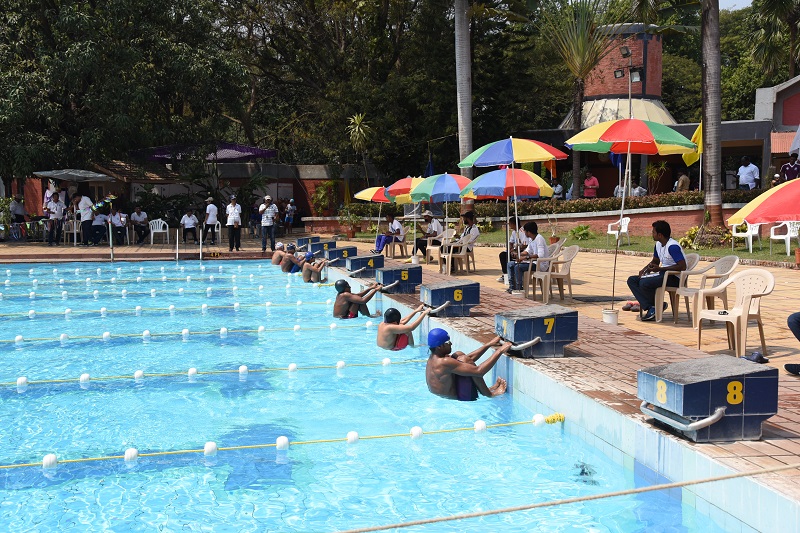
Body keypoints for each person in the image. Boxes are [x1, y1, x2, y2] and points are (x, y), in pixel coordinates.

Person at [626, 220, 687, 321]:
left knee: (644, 283)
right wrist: (645, 269)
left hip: (674, 278)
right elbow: (655, 261)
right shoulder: (658, 244)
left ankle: (654, 307)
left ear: (660, 235)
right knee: (632, 280)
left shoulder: (672, 247)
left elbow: (682, 266)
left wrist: (661, 269)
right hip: (663, 274)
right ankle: (653, 307)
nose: (652, 234)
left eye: (653, 232)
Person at [425, 329, 510, 401]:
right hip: (460, 396)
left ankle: (486, 390)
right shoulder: (444, 362)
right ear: (439, 347)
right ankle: (490, 394)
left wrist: (489, 344)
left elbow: (467, 360)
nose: (451, 344)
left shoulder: (434, 358)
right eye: (448, 342)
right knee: (466, 361)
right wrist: (500, 351)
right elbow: (479, 371)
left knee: (459, 355)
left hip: (444, 394)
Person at [507, 221, 548, 293]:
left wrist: (525, 258)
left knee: (518, 267)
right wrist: (518, 255)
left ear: (528, 232)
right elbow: (527, 251)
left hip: (540, 264)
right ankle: (512, 287)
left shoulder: (539, 239)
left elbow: (540, 255)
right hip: (532, 262)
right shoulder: (531, 239)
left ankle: (519, 288)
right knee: (510, 264)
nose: (524, 233)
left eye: (525, 231)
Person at [497, 218, 527, 283]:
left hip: (522, 251)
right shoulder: (514, 232)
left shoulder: (522, 232)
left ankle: (512, 274)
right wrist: (510, 249)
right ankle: (506, 274)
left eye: (510, 224)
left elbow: (525, 245)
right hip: (514, 250)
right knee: (503, 255)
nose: (509, 225)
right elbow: (511, 242)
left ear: (514, 224)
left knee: (507, 256)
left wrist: (515, 249)